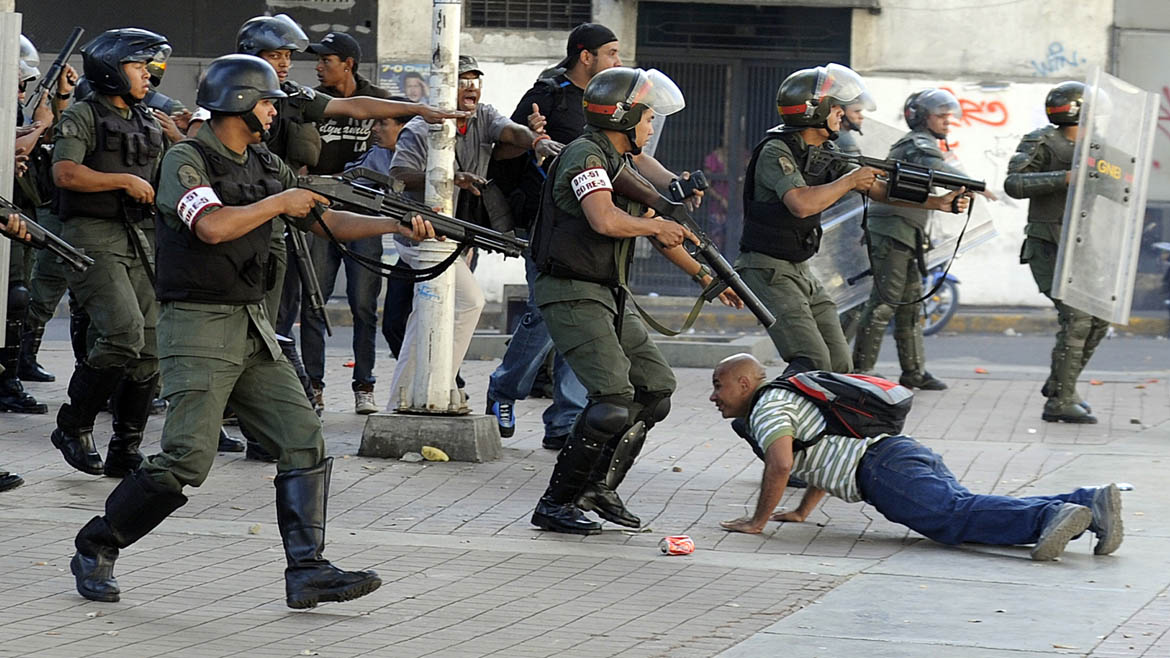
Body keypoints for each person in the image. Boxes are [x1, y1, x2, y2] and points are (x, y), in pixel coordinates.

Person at [68, 54, 440, 608]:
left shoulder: (266, 163)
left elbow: (324, 220)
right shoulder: (187, 160)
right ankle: (96, 545)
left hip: (250, 325)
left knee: (301, 437)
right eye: (268, 101)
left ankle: (307, 570)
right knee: (187, 458)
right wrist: (280, 202)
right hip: (198, 327)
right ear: (241, 102)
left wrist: (396, 222)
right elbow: (212, 226)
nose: (275, 111)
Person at [528, 67, 741, 535]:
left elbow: (664, 229)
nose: (651, 128)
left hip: (606, 291)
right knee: (612, 401)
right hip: (572, 291)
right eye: (647, 119)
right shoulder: (587, 157)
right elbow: (605, 220)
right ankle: (556, 503)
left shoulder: (617, 163)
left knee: (655, 389)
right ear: (621, 117)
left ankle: (598, 485)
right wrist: (655, 225)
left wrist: (708, 277)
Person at [711, 353, 1124, 561]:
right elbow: (823, 447)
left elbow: (781, 464)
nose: (713, 395)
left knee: (954, 519)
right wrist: (802, 511)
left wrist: (757, 522)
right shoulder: (786, 396)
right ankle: (1086, 503)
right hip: (897, 454)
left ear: (745, 382)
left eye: (719, 385)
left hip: (882, 471)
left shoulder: (765, 410)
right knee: (966, 509)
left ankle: (1049, 517)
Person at [735, 64, 969, 374]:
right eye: (836, 109)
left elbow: (877, 189)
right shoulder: (776, 151)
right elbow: (801, 205)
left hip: (800, 268)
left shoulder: (822, 151)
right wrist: (850, 180)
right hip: (767, 269)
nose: (841, 116)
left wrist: (937, 202)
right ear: (814, 112)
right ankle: (771, 415)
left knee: (840, 364)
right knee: (812, 361)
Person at [388, 55, 560, 411]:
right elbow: (400, 175)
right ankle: (436, 390)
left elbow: (510, 131)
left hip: (460, 236)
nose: (471, 87)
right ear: (443, 88)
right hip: (421, 235)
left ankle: (405, 397)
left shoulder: (482, 117)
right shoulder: (422, 129)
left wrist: (536, 141)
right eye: (462, 80)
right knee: (469, 301)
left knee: (427, 318)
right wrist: (450, 179)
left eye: (475, 79)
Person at [485, 23, 622, 449]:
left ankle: (565, 419)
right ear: (586, 56)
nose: (618, 62)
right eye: (611, 53)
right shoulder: (547, 93)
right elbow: (504, 149)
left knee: (578, 312)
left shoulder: (608, 100)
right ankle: (504, 390)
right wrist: (534, 140)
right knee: (547, 311)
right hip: (546, 220)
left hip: (589, 221)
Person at [48, 29, 172, 478]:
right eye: (139, 66)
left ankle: (127, 446)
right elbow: (65, 173)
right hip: (92, 235)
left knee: (150, 346)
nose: (148, 75)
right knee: (123, 332)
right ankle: (73, 424)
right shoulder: (83, 115)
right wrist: (121, 180)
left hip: (140, 238)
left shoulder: (148, 120)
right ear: (112, 69)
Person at [852, 89, 994, 390]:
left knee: (910, 305)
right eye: (940, 116)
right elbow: (939, 171)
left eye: (948, 116)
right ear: (921, 117)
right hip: (892, 229)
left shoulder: (924, 144)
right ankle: (861, 372)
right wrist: (976, 185)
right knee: (884, 304)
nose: (947, 121)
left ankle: (914, 372)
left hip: (906, 230)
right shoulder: (917, 144)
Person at [1004, 81, 1107, 424]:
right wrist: (1065, 178)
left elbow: (1119, 186)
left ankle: (1062, 384)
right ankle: (1060, 401)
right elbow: (1014, 184)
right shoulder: (1042, 141)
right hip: (1048, 241)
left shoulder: (1097, 147)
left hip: (1084, 245)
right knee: (1076, 317)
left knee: (1100, 317)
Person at [298, 32, 390, 415]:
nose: (318, 67)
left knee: (364, 305)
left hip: (364, 213)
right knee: (314, 303)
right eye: (317, 61)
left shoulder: (379, 101)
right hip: (319, 212)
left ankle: (364, 386)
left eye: (326, 60)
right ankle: (314, 387)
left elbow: (409, 130)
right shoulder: (312, 104)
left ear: (348, 64)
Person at [16, 34, 78, 385]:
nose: (23, 93)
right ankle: (15, 365)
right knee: (25, 293)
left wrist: (61, 98)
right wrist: (41, 123)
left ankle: (23, 361)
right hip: (29, 208)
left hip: (35, 203)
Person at [2, 35, 54, 413]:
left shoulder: (12, 116)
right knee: (14, 296)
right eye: (19, 85)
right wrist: (39, 126)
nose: (22, 94)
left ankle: (10, 375)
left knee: (18, 296)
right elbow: (18, 150)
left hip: (18, 214)